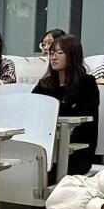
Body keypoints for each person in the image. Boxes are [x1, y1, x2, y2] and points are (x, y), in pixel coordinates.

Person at [31, 34, 99, 176]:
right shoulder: (45, 84)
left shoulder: (87, 83)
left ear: (73, 55)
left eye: (60, 53)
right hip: (45, 146)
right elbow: (31, 106)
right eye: (52, 53)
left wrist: (51, 108)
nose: (53, 57)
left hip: (76, 151)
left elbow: (84, 115)